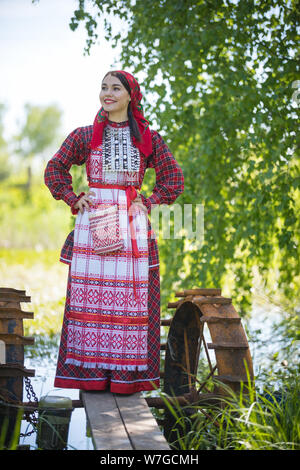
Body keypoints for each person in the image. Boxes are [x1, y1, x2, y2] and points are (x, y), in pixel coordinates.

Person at [44, 70, 184, 394]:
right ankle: (92, 377)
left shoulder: (148, 138)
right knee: (91, 298)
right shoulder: (84, 135)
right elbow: (54, 168)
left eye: (115, 88)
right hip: (94, 221)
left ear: (129, 95)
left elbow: (173, 179)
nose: (108, 93)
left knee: (127, 300)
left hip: (130, 220)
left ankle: (123, 379)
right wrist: (73, 197)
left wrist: (149, 201)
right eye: (103, 87)